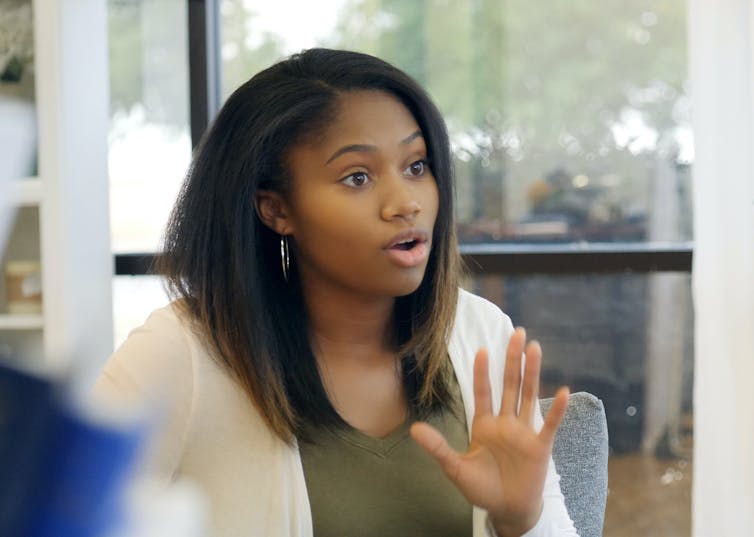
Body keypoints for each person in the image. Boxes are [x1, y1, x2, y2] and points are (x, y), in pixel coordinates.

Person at [94, 48, 578, 537]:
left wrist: (520, 520)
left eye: (416, 166)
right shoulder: (184, 353)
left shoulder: (480, 333)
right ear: (276, 210)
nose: (405, 202)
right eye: (358, 177)